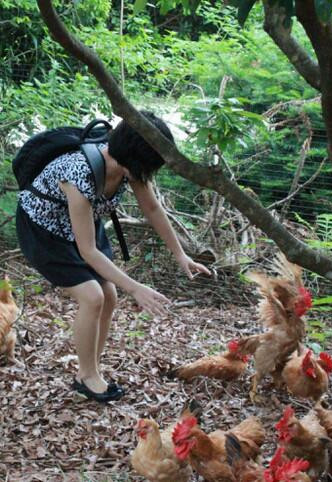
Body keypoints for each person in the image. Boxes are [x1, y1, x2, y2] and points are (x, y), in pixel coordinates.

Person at [15, 112, 210, 403]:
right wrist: (136, 287)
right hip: (44, 230)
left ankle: (91, 369)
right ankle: (87, 375)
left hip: (81, 227)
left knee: (110, 295)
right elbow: (88, 251)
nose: (149, 175)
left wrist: (180, 255)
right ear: (134, 158)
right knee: (92, 296)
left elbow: (153, 210)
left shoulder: (130, 168)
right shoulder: (78, 172)